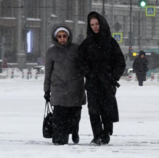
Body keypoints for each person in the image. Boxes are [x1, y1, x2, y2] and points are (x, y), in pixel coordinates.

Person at [76, 12, 126, 146]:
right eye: (92, 24)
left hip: (107, 83)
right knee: (93, 110)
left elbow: (120, 61)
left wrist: (113, 76)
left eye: (97, 24)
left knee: (106, 110)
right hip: (93, 83)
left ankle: (106, 133)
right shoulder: (87, 44)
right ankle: (97, 135)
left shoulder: (110, 42)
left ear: (101, 23)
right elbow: (80, 61)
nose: (95, 27)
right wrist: (88, 72)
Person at [44, 25, 85, 145]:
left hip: (75, 88)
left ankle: (74, 131)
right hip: (58, 89)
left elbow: (83, 67)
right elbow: (48, 72)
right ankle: (59, 139)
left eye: (64, 36)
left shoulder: (76, 49)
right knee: (59, 117)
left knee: (74, 116)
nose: (62, 38)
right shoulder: (51, 52)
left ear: (68, 36)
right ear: (56, 37)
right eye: (59, 36)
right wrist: (47, 91)